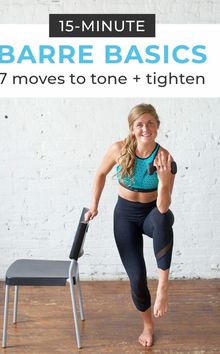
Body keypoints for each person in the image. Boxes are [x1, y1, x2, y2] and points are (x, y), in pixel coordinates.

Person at [84, 103, 175, 347]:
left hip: (152, 215)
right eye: (140, 124)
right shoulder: (119, 149)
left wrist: (164, 181)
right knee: (136, 279)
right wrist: (94, 205)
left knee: (164, 217)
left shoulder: (165, 158)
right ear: (132, 128)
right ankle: (148, 325)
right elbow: (100, 174)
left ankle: (163, 286)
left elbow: (163, 206)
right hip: (124, 215)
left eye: (150, 123)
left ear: (157, 126)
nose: (145, 128)